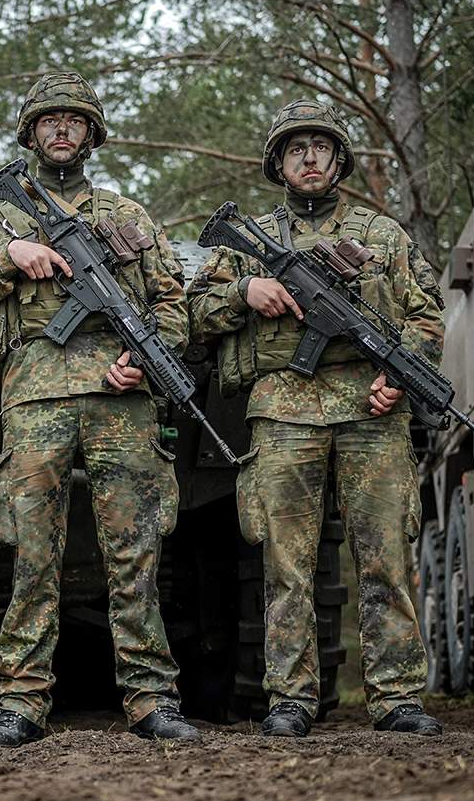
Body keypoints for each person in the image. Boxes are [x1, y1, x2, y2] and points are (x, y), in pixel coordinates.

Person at [0, 71, 198, 747]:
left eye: (74, 121)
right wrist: (9, 256)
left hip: (123, 400)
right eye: (50, 121)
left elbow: (173, 303)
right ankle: (23, 699)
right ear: (32, 133)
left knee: (134, 550)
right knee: (32, 554)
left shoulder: (129, 216)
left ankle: (151, 697)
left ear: (91, 134)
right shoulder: (1, 217)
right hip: (35, 394)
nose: (62, 130)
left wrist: (145, 360)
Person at [187, 99, 444, 739]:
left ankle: (397, 697)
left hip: (370, 410)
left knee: (384, 556)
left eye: (321, 147)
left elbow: (428, 316)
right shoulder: (254, 240)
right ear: (279, 161)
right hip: (282, 410)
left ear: (338, 160)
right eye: (297, 148)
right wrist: (245, 293)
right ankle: (291, 698)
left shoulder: (382, 236)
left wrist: (397, 378)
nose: (310, 157)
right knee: (285, 562)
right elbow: (192, 315)